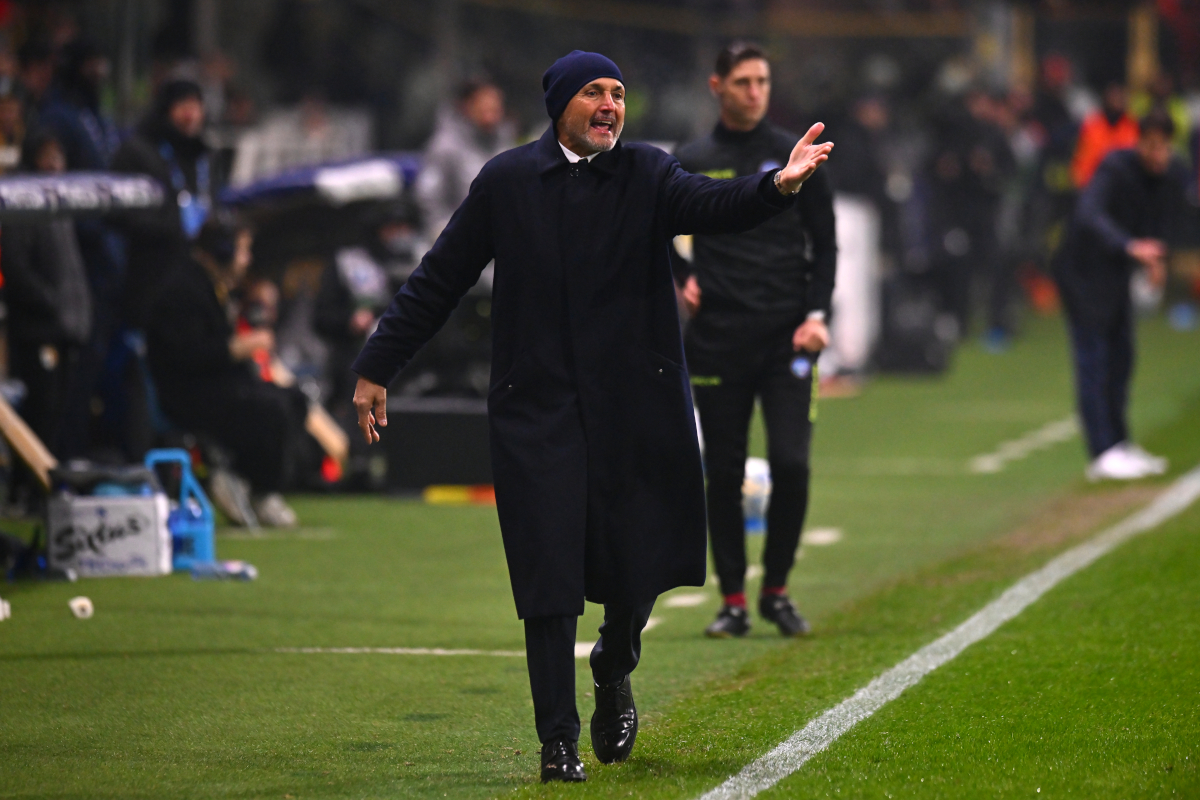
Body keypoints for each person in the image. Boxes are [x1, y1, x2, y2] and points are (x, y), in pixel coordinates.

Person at [350, 51, 833, 783]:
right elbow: (440, 277)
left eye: (618, 93)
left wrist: (777, 185)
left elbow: (711, 204)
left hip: (634, 405)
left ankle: (614, 661)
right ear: (559, 106)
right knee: (547, 574)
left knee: (636, 562)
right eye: (594, 93)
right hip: (535, 410)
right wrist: (377, 364)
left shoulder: (646, 171)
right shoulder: (507, 181)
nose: (611, 104)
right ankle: (557, 740)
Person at [672, 42, 836, 640]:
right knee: (723, 471)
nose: (754, 91)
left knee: (791, 464)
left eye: (762, 80)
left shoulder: (794, 153)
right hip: (717, 340)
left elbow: (827, 241)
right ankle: (733, 600)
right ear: (717, 86)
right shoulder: (692, 157)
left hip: (787, 339)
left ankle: (778, 591)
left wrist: (818, 314)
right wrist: (682, 275)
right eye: (742, 81)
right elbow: (657, 225)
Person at [146, 218, 310, 527]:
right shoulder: (184, 288)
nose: (247, 259)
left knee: (294, 399)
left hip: (217, 385)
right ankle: (250, 484)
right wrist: (239, 347)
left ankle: (255, 485)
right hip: (189, 393)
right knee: (270, 408)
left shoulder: (213, 285)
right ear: (221, 250)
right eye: (243, 250)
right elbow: (188, 356)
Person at [1054, 110, 1185, 481]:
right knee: (1093, 360)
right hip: (1082, 273)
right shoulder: (1115, 168)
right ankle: (1102, 451)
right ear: (1140, 142)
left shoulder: (1169, 176)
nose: (1158, 155)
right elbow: (1088, 214)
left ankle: (1121, 442)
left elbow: (1161, 223)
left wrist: (1156, 257)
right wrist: (1129, 246)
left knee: (1121, 359)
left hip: (1115, 273)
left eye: (1165, 148)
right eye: (1152, 146)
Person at [0, 130, 93, 477]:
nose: (55, 164)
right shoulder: (23, 202)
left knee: (57, 411)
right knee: (39, 410)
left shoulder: (60, 204)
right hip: (39, 328)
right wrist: (50, 303)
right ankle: (27, 486)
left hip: (66, 326)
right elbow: (16, 266)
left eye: (60, 157)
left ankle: (45, 483)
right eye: (48, 156)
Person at [112, 78, 218, 330]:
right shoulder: (137, 152)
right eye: (183, 105)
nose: (190, 114)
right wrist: (169, 228)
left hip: (197, 278)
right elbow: (120, 216)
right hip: (151, 278)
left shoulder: (206, 156)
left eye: (196, 105)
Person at [414, 78, 515, 238]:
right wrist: (449, 236)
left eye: (495, 107)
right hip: (463, 244)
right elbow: (429, 199)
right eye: (485, 107)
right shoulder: (445, 147)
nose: (491, 114)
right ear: (467, 106)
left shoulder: (506, 144)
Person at [1071, 82, 1139, 189]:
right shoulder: (1091, 125)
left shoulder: (1134, 126)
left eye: (1120, 96)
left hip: (1125, 188)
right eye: (1113, 95)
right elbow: (1081, 161)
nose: (1116, 100)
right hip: (1092, 186)